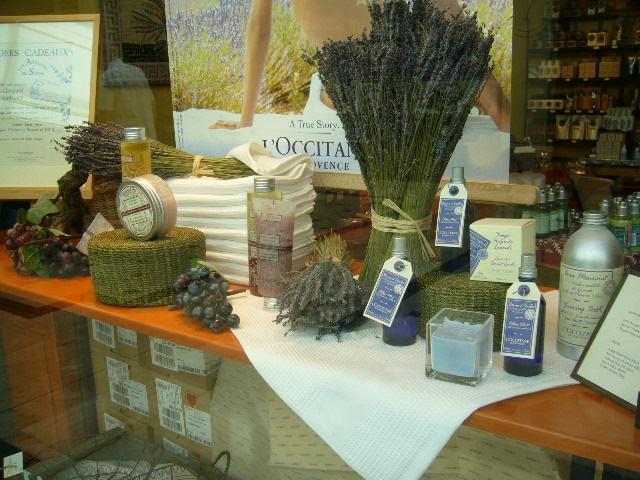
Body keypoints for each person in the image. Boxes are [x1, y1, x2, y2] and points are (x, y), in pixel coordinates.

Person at [235, 0, 511, 132]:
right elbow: (464, 41)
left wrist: (245, 121)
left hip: (343, 109)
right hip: (396, 107)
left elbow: (260, 30)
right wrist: (506, 123)